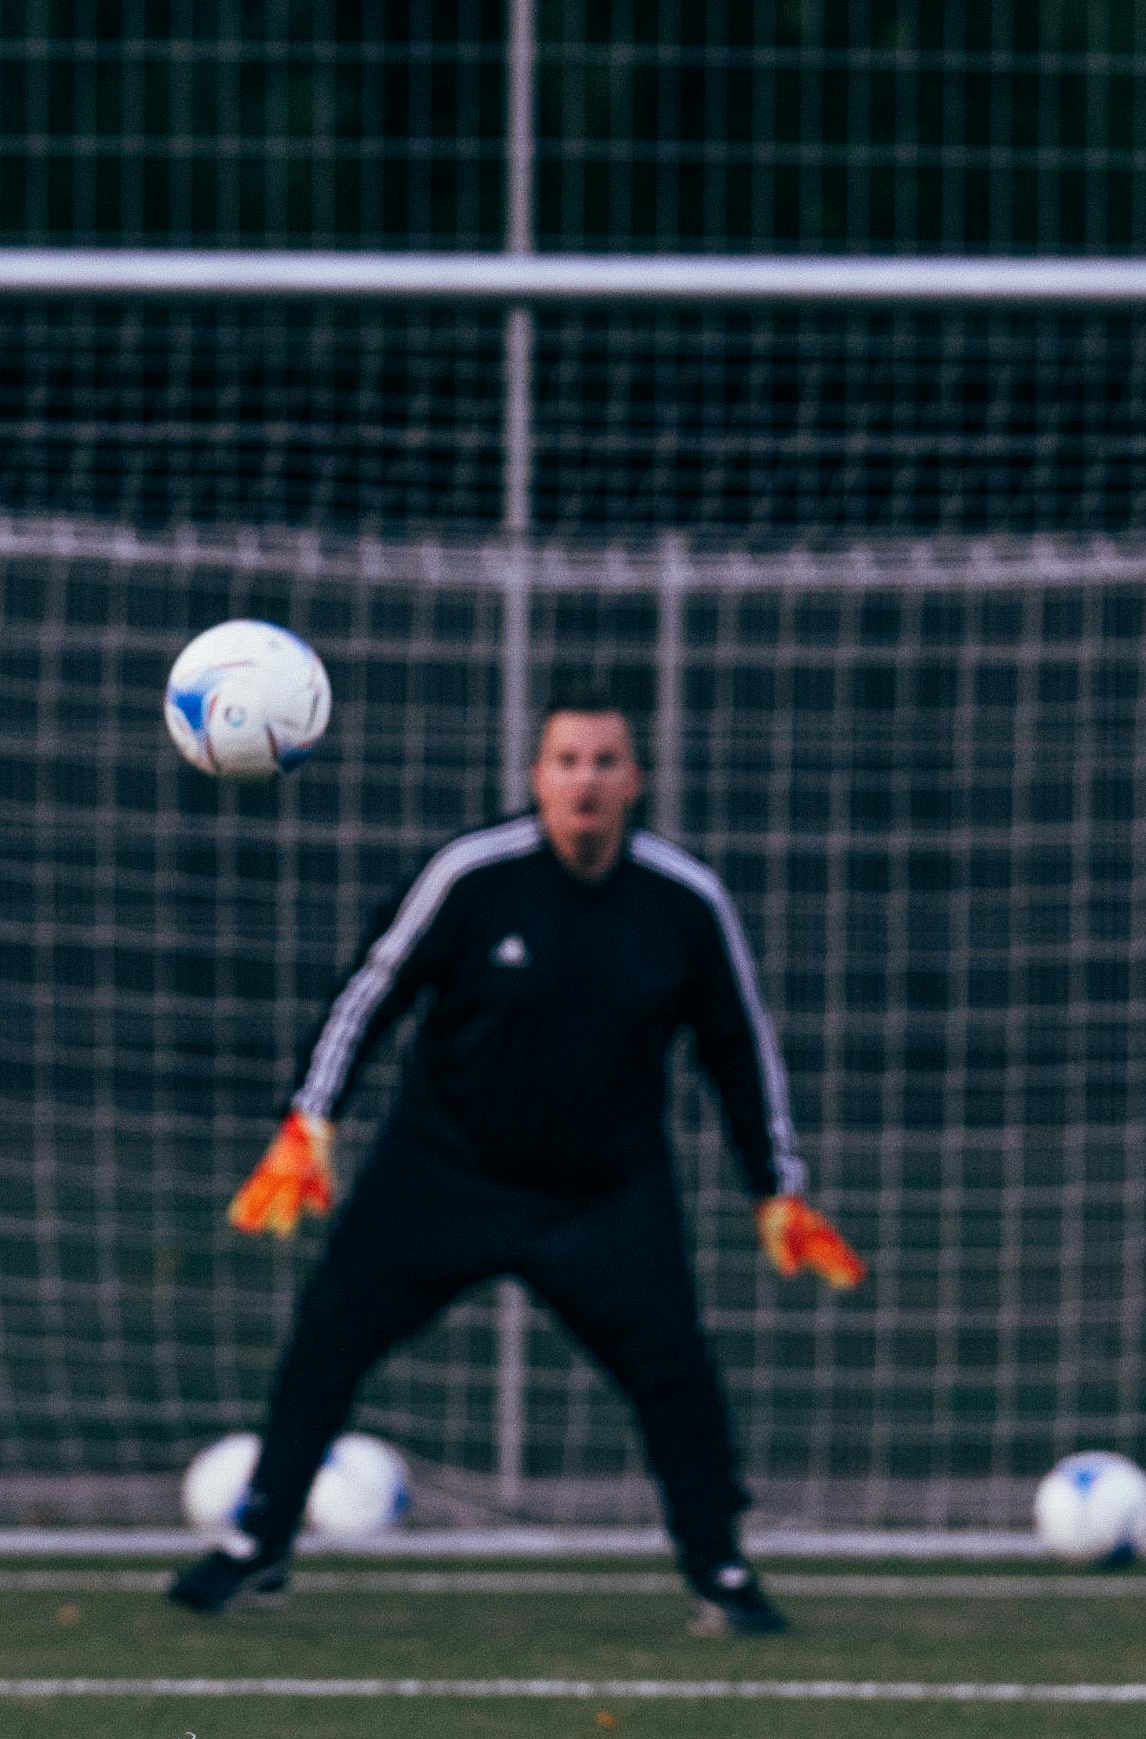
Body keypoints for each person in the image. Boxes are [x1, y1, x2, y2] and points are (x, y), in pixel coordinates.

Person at [171, 695, 864, 1634]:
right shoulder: (472, 875)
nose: (586, 779)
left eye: (606, 761)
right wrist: (309, 1121)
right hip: (441, 1174)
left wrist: (777, 1188)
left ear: (636, 782)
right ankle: (260, 1546)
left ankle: (720, 1569)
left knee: (677, 1376)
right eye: (568, 759)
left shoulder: (683, 902)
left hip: (604, 1195)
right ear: (536, 776)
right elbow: (370, 991)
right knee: (327, 1338)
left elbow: (740, 1047)